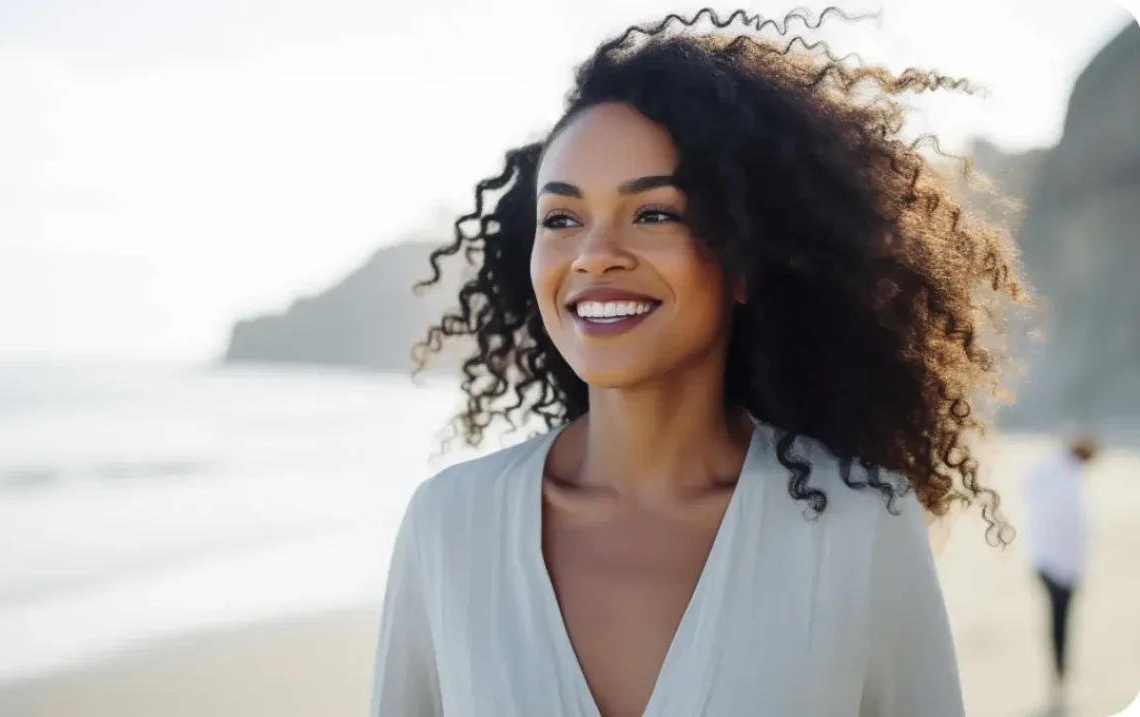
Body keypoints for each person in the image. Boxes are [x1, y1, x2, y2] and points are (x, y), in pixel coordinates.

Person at [374, 8, 1030, 716]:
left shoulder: (862, 524)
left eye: (654, 213)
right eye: (562, 219)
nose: (594, 253)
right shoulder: (448, 527)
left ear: (745, 259)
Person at [1025, 433, 1098, 705]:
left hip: (1048, 559)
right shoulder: (1063, 476)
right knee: (1060, 621)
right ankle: (1059, 675)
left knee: (1059, 621)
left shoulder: (1055, 470)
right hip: (1057, 565)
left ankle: (1059, 674)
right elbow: (1067, 524)